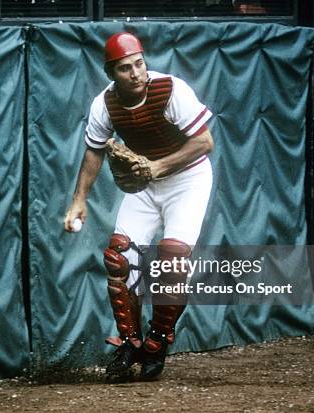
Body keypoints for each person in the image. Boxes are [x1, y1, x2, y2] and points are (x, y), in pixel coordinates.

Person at [63, 32, 215, 380]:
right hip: (146, 185)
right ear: (111, 73)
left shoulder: (170, 89)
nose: (136, 73)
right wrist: (79, 200)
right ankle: (130, 343)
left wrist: (157, 167)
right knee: (119, 257)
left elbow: (205, 142)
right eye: (125, 68)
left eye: (139, 63)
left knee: (172, 259)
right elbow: (94, 149)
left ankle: (157, 342)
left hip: (188, 180)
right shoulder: (104, 104)